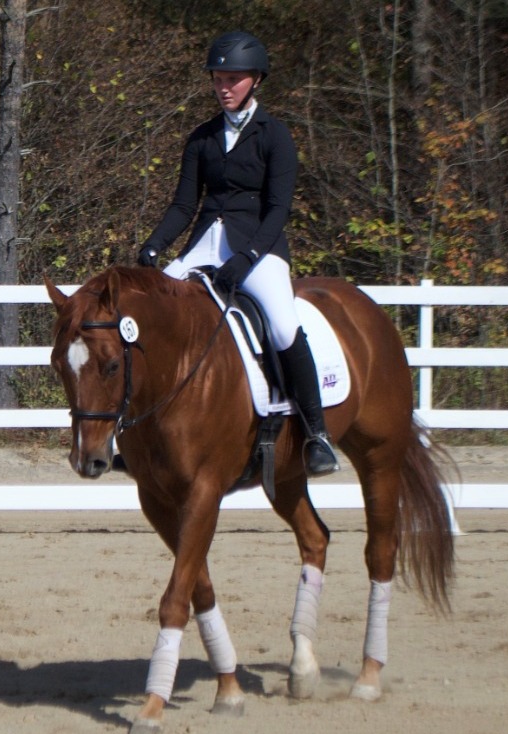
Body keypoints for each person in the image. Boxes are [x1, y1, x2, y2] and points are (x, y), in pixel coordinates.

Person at [136, 30, 338, 476]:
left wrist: (246, 258)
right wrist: (154, 245)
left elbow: (278, 209)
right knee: (151, 313)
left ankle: (316, 434)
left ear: (256, 81)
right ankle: (133, 434)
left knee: (284, 326)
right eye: (218, 79)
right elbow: (184, 205)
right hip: (205, 243)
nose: (224, 87)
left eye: (233, 79)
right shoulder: (202, 138)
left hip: (259, 248)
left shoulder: (275, 136)